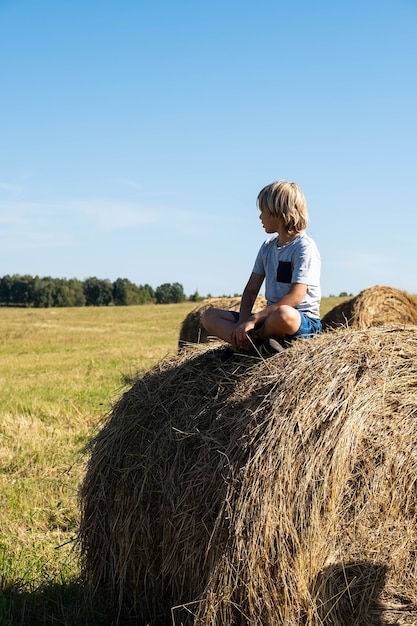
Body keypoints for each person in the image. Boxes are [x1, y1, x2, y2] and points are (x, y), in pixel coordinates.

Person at [201, 180, 322, 358]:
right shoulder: (267, 247)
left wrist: (254, 319)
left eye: (262, 211)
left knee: (283, 314)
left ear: (278, 213)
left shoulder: (304, 247)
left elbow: (295, 298)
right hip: (267, 320)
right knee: (209, 316)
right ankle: (250, 343)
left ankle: (251, 344)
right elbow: (251, 290)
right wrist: (242, 323)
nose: (260, 217)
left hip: (301, 322)